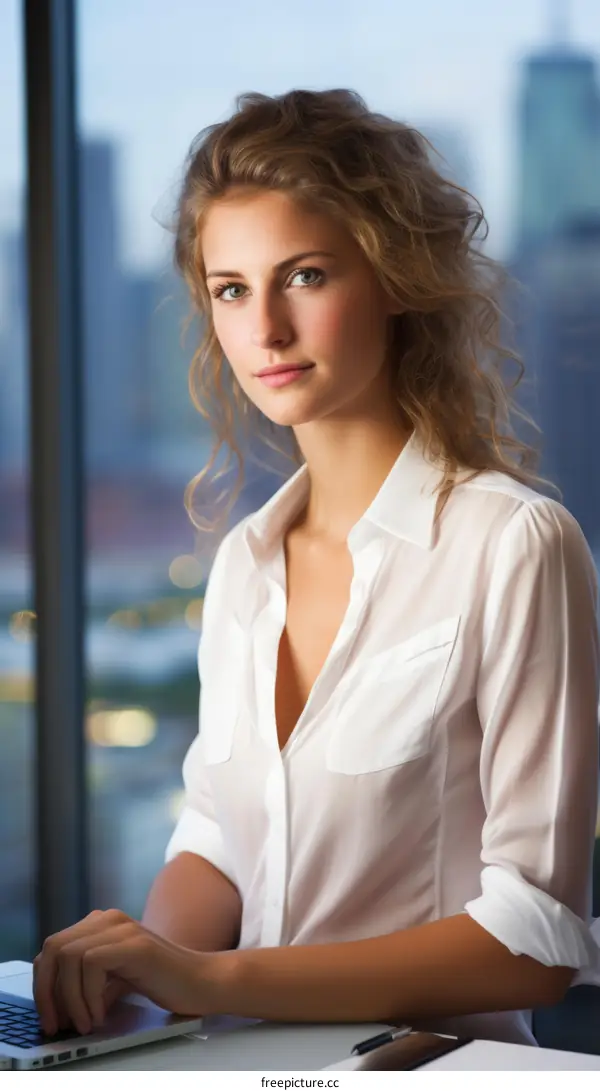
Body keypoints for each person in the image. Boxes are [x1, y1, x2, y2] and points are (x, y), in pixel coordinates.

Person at [33, 88, 600, 1047]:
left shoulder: (514, 544)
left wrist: (209, 977)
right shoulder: (245, 568)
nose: (266, 331)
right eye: (231, 288)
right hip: (236, 1064)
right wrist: (124, 983)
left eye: (303, 275)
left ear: (391, 276)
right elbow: (215, 838)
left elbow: (534, 936)